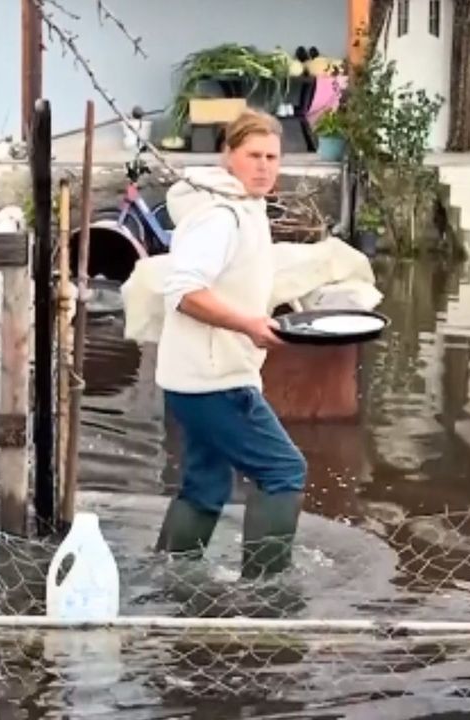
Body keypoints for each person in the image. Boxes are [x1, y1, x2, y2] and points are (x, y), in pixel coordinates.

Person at [153, 109, 307, 580]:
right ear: (229, 158)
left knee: (205, 485)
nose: (263, 166)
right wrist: (249, 325)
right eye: (253, 155)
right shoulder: (221, 215)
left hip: (195, 376)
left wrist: (276, 314)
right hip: (213, 379)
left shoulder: (245, 208)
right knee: (284, 471)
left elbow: (237, 282)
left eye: (272, 157)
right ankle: (265, 593)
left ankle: (167, 578)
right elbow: (183, 292)